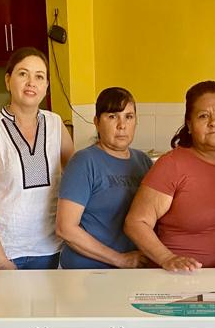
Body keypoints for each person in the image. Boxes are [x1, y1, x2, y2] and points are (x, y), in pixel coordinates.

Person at [124, 81, 215, 271]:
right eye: (203, 116)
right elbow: (136, 222)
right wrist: (167, 258)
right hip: (181, 282)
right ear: (189, 125)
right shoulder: (172, 164)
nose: (214, 122)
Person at [0, 47, 74, 270]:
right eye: (23, 74)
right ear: (8, 80)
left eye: (39, 76)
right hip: (3, 252)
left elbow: (75, 181)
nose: (31, 83)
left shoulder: (56, 124)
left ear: (46, 86)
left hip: (48, 249)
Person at [56, 87, 151, 269]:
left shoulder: (143, 162)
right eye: (112, 116)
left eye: (129, 117)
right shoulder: (84, 162)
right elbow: (65, 228)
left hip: (133, 270)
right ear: (97, 122)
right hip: (88, 272)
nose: (122, 125)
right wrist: (120, 259)